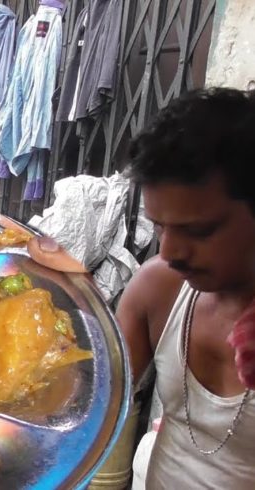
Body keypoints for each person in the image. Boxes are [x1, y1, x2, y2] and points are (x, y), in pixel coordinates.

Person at [118, 88, 255, 489]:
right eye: (159, 226)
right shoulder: (158, 290)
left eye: (199, 230)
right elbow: (87, 405)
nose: (170, 251)